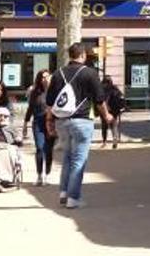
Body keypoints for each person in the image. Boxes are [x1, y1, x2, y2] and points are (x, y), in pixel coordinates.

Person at [46, 43, 113, 209]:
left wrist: (49, 122)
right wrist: (106, 115)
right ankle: (73, 198)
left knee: (68, 157)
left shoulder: (58, 74)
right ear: (82, 55)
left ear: (69, 55)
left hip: (62, 121)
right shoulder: (90, 73)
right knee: (79, 160)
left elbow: (50, 102)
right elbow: (99, 99)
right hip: (82, 120)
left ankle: (63, 192)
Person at [23, 70, 56, 186]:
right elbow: (30, 108)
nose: (45, 79)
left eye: (47, 77)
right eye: (42, 77)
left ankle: (47, 174)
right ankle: (39, 175)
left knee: (49, 150)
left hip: (51, 123)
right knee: (40, 148)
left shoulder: (55, 92)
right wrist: (25, 124)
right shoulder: (35, 93)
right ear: (39, 79)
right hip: (38, 123)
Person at [100, 76, 126, 150]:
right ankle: (115, 139)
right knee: (114, 125)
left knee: (104, 126)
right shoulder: (115, 88)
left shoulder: (103, 89)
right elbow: (121, 98)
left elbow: (100, 100)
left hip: (106, 110)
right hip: (115, 110)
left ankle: (104, 142)